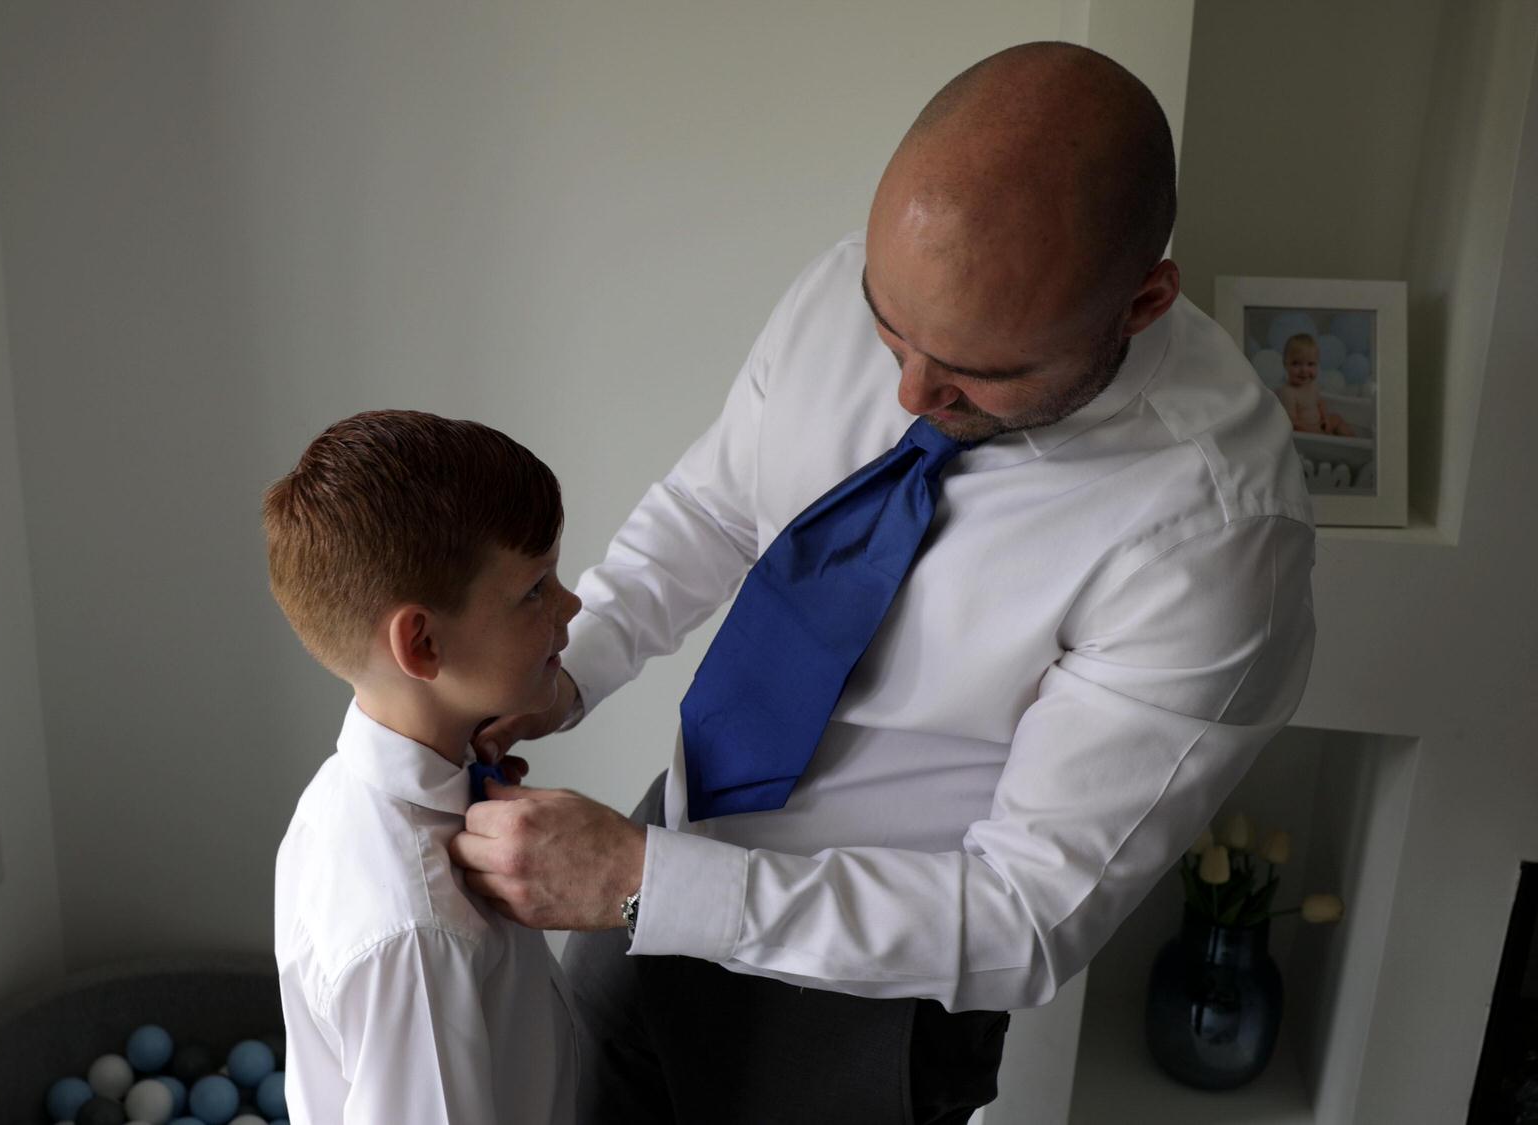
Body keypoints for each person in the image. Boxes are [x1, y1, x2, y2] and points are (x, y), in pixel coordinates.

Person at [447, 41, 1317, 1124]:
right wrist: (571, 668)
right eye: (887, 327)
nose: (905, 387)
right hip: (673, 837)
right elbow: (721, 506)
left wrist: (644, 883)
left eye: (975, 373)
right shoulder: (847, 290)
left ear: (1140, 304)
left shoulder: (1219, 539)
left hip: (874, 998)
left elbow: (1023, 915)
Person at [262, 409, 581, 1124]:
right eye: (536, 589)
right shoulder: (418, 932)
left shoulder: (339, 792)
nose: (573, 603)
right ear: (425, 642)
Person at [1277, 332, 1354, 435]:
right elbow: (1292, 422)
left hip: (1319, 424)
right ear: (1285, 364)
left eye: (1310, 364)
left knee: (1336, 418)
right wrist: (1314, 431)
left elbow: (1320, 403)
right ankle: (1339, 443)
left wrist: (1325, 418)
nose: (1304, 370)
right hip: (1306, 432)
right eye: (1296, 364)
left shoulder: (1313, 385)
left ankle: (1353, 442)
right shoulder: (1288, 392)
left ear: (1317, 364)